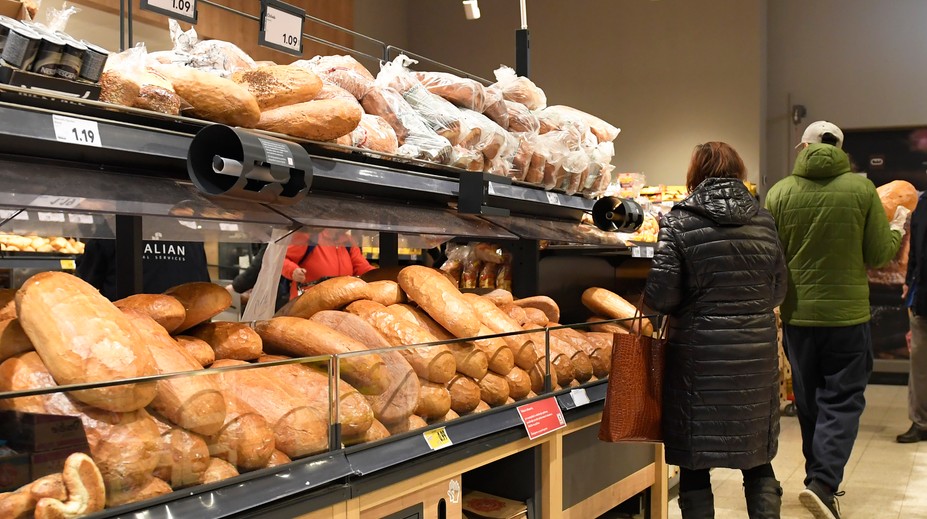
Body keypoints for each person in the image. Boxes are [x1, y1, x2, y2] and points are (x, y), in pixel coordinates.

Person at [765, 121, 907, 519]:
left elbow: (771, 258)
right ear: (842, 150)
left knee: (810, 402)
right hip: (847, 317)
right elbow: (879, 254)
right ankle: (824, 483)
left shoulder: (779, 192)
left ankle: (817, 478)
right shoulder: (862, 190)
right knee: (842, 400)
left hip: (799, 317)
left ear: (802, 148)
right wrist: (897, 227)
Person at [644, 142, 787, 519]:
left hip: (698, 361)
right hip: (755, 360)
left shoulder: (678, 221)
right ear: (738, 172)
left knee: (694, 463)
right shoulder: (763, 220)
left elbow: (660, 296)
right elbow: (779, 290)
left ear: (695, 174)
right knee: (756, 460)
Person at [77, 238, 210, 300]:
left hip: (126, 333)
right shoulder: (191, 238)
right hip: (188, 335)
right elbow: (204, 288)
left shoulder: (109, 235)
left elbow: (82, 289)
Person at [899, 188, 927, 443]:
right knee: (919, 364)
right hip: (922, 297)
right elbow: (916, 255)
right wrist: (909, 282)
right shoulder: (923, 204)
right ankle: (920, 422)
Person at [281, 228, 375, 299]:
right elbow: (282, 260)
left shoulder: (348, 241)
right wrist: (293, 271)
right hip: (307, 303)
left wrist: (383, 275)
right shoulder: (309, 237)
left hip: (339, 302)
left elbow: (362, 267)